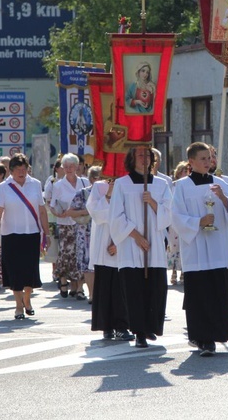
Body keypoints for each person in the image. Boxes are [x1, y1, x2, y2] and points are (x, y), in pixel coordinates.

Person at [171, 142, 228, 357]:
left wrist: (223, 197)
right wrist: (198, 222)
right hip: (197, 248)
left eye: (209, 158)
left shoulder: (221, 184)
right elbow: (176, 216)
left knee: (219, 292)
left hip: (219, 246)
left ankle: (219, 333)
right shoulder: (181, 186)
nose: (207, 162)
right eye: (202, 159)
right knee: (200, 294)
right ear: (191, 162)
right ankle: (202, 339)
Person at [110, 146, 172, 348]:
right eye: (140, 155)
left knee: (155, 288)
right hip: (130, 244)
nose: (144, 159)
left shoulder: (162, 184)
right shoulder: (122, 184)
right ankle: (139, 332)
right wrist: (136, 236)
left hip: (154, 246)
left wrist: (152, 202)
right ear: (131, 158)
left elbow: (169, 213)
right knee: (134, 289)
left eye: (148, 155)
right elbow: (116, 216)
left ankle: (150, 326)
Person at [0, 154, 50, 319]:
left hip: (31, 233)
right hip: (11, 235)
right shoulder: (4, 187)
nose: (21, 172)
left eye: (24, 169)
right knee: (15, 271)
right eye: (18, 169)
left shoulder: (36, 184)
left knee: (30, 270)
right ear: (11, 170)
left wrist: (47, 233)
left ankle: (27, 299)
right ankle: (18, 305)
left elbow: (42, 210)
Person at [86, 175, 133, 342]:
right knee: (104, 287)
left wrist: (118, 242)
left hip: (123, 241)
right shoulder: (99, 187)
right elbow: (97, 214)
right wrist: (109, 194)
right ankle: (106, 326)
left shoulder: (128, 185)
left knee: (121, 289)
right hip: (102, 244)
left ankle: (122, 326)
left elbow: (129, 215)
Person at [50, 154, 89, 300]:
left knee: (80, 254)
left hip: (81, 223)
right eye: (65, 167)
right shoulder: (58, 184)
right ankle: (64, 281)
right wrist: (58, 214)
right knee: (66, 254)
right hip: (65, 224)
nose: (68, 169)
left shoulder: (84, 182)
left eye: (71, 166)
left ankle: (79, 287)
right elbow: (53, 205)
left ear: (77, 166)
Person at [69, 165, 101, 304]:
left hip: (103, 231)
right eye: (99, 177)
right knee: (88, 265)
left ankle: (103, 293)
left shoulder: (111, 192)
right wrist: (87, 211)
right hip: (86, 232)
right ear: (92, 179)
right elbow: (71, 212)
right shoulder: (82, 193)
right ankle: (92, 294)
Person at [167, 161, 190, 285]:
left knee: (184, 245)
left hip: (185, 218)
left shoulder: (189, 186)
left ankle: (183, 272)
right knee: (174, 245)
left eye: (188, 171)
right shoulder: (174, 185)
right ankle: (174, 271)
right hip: (174, 220)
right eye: (184, 171)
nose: (186, 174)